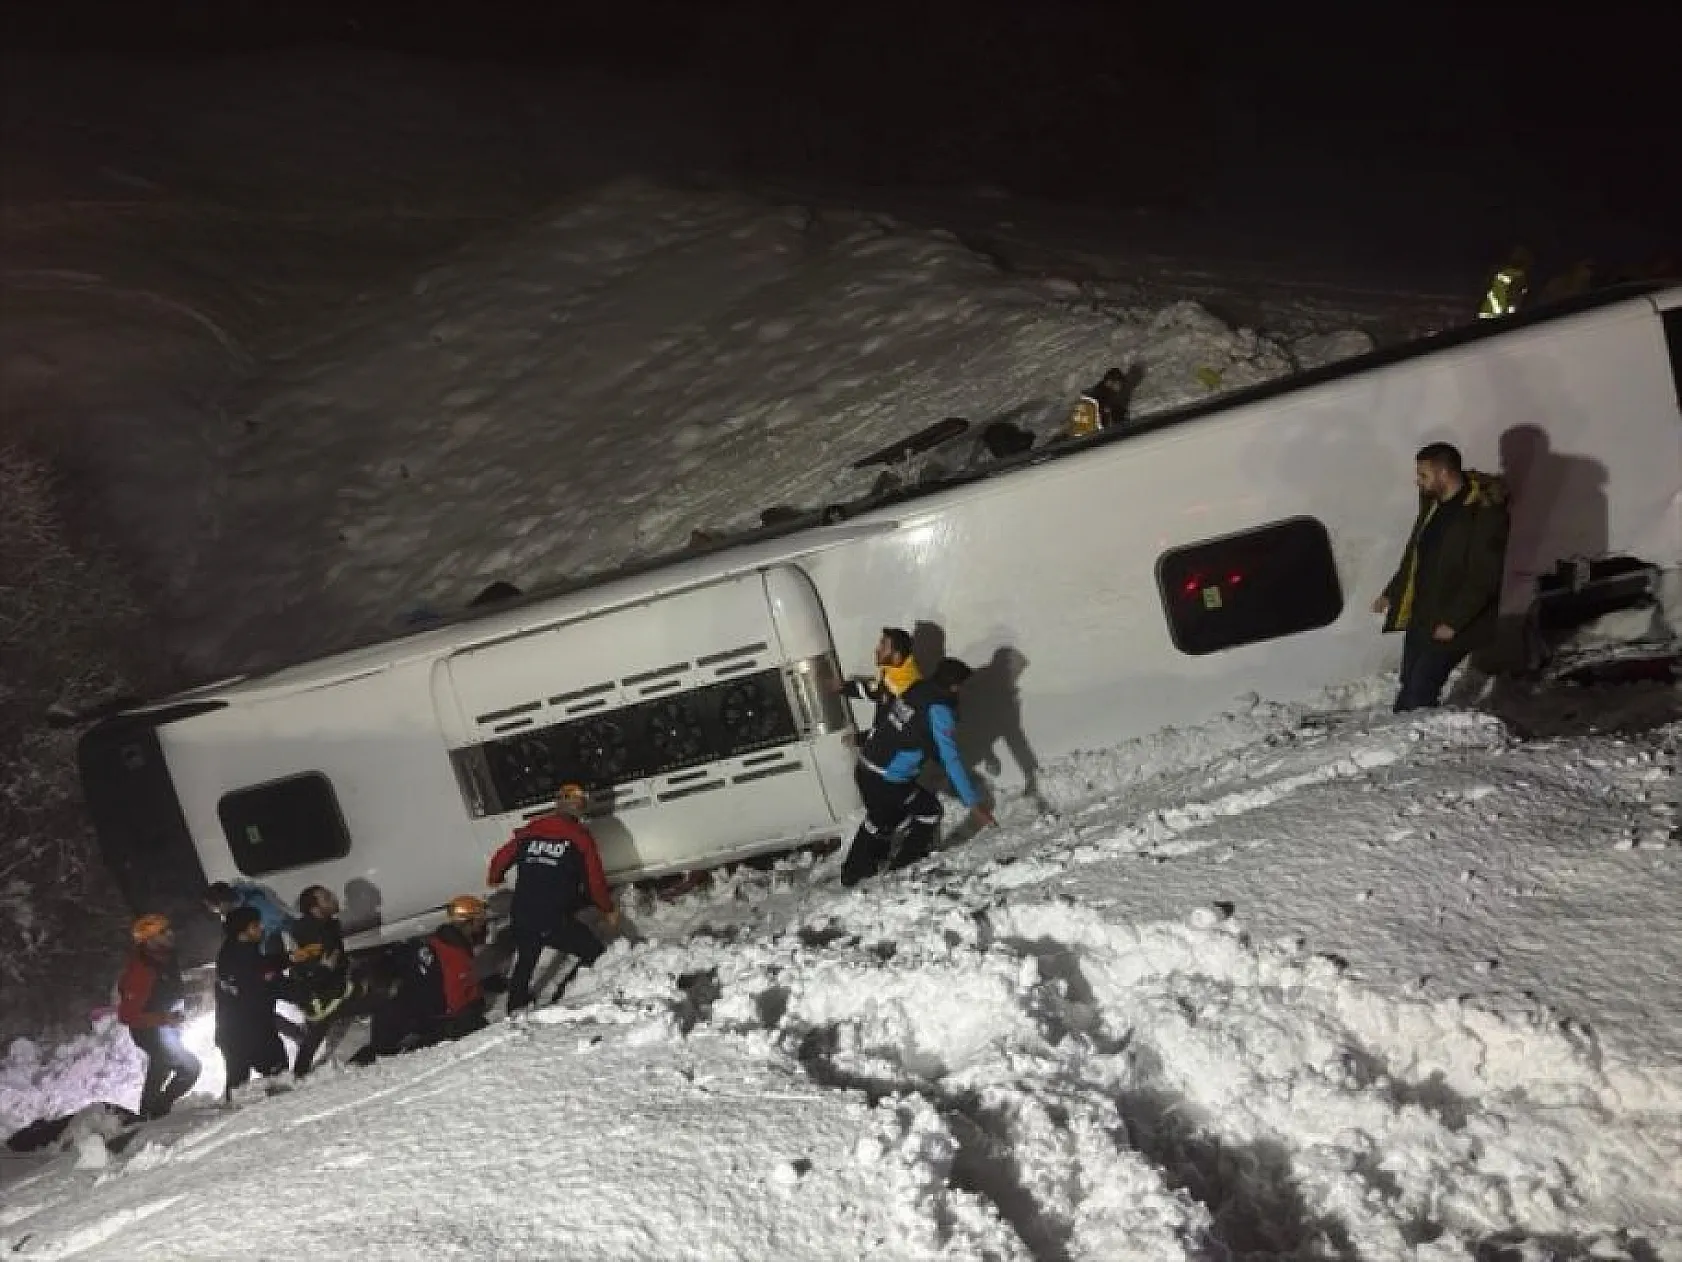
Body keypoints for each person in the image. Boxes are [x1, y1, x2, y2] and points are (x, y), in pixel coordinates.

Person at [1373, 442, 1511, 712]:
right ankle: (1405, 738)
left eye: (1423, 475)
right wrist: (1393, 591)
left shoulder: (1483, 512)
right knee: (1408, 684)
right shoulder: (1433, 507)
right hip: (1422, 616)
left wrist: (1454, 621)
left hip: (1452, 621)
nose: (1417, 482)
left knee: (1420, 689)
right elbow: (1416, 558)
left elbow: (1485, 576)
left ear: (1444, 474)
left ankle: (1419, 744)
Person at [841, 656, 996, 886]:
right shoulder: (940, 711)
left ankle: (855, 873)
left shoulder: (918, 688)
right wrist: (974, 806)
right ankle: (902, 868)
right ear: (955, 686)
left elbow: (902, 726)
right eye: (963, 687)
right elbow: (950, 759)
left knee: (882, 818)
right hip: (887, 778)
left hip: (867, 765)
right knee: (928, 812)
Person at [487, 783, 618, 1012]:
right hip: (552, 918)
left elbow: (499, 860)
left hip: (523, 912)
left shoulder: (530, 832)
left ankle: (515, 1007)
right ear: (580, 810)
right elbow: (595, 882)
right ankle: (568, 993)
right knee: (594, 952)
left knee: (526, 959)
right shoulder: (580, 839)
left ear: (557, 805)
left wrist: (495, 877)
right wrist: (607, 909)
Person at [352, 895, 491, 1066]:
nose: (483, 923)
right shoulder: (455, 956)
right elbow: (454, 1003)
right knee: (473, 1021)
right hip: (407, 1021)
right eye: (480, 919)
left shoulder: (436, 941)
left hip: (391, 1013)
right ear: (469, 923)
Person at [115, 914, 201, 1119]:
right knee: (189, 1068)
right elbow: (127, 1015)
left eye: (168, 929)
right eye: (163, 932)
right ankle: (156, 1113)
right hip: (150, 1031)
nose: (170, 934)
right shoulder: (142, 970)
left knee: (160, 1068)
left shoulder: (165, 958)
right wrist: (164, 1018)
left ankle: (148, 1115)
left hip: (164, 1029)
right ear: (149, 940)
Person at [214, 907, 288, 1099]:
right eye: (255, 926)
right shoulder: (231, 960)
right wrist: (272, 981)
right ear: (242, 931)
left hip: (252, 1027)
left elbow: (263, 965)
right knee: (242, 1086)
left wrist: (289, 959)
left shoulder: (245, 950)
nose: (261, 928)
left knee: (274, 1074)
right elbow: (252, 986)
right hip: (240, 1033)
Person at [285, 885, 356, 1077]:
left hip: (332, 987)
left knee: (317, 1031)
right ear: (314, 908)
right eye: (326, 898)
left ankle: (301, 1071)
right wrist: (324, 969)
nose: (333, 898)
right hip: (319, 993)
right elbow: (310, 967)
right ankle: (300, 1073)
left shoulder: (329, 925)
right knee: (318, 1028)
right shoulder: (308, 930)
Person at [840, 626, 920, 737]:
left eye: (883, 646)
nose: (877, 649)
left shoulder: (902, 687)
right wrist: (843, 687)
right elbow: (875, 691)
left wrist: (860, 739)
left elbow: (894, 731)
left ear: (897, 656)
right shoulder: (893, 673)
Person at [204, 880, 294, 962]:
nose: (220, 914)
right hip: (272, 933)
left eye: (218, 910)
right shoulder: (233, 911)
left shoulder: (254, 901)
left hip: (279, 929)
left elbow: (278, 921)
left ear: (222, 902)